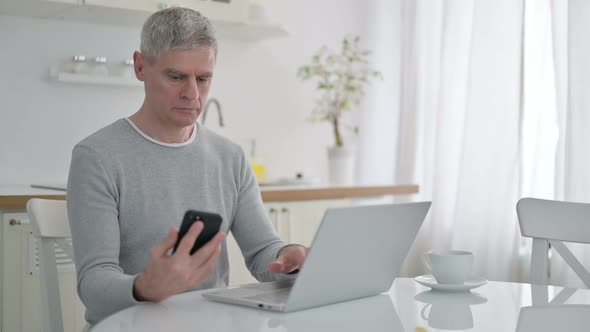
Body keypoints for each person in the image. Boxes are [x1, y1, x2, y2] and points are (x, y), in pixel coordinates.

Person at [66, 7, 308, 325]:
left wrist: (286, 258)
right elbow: (93, 284)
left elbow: (263, 252)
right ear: (140, 66)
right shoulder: (97, 157)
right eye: (176, 76)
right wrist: (145, 286)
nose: (192, 94)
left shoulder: (229, 157)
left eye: (203, 78)